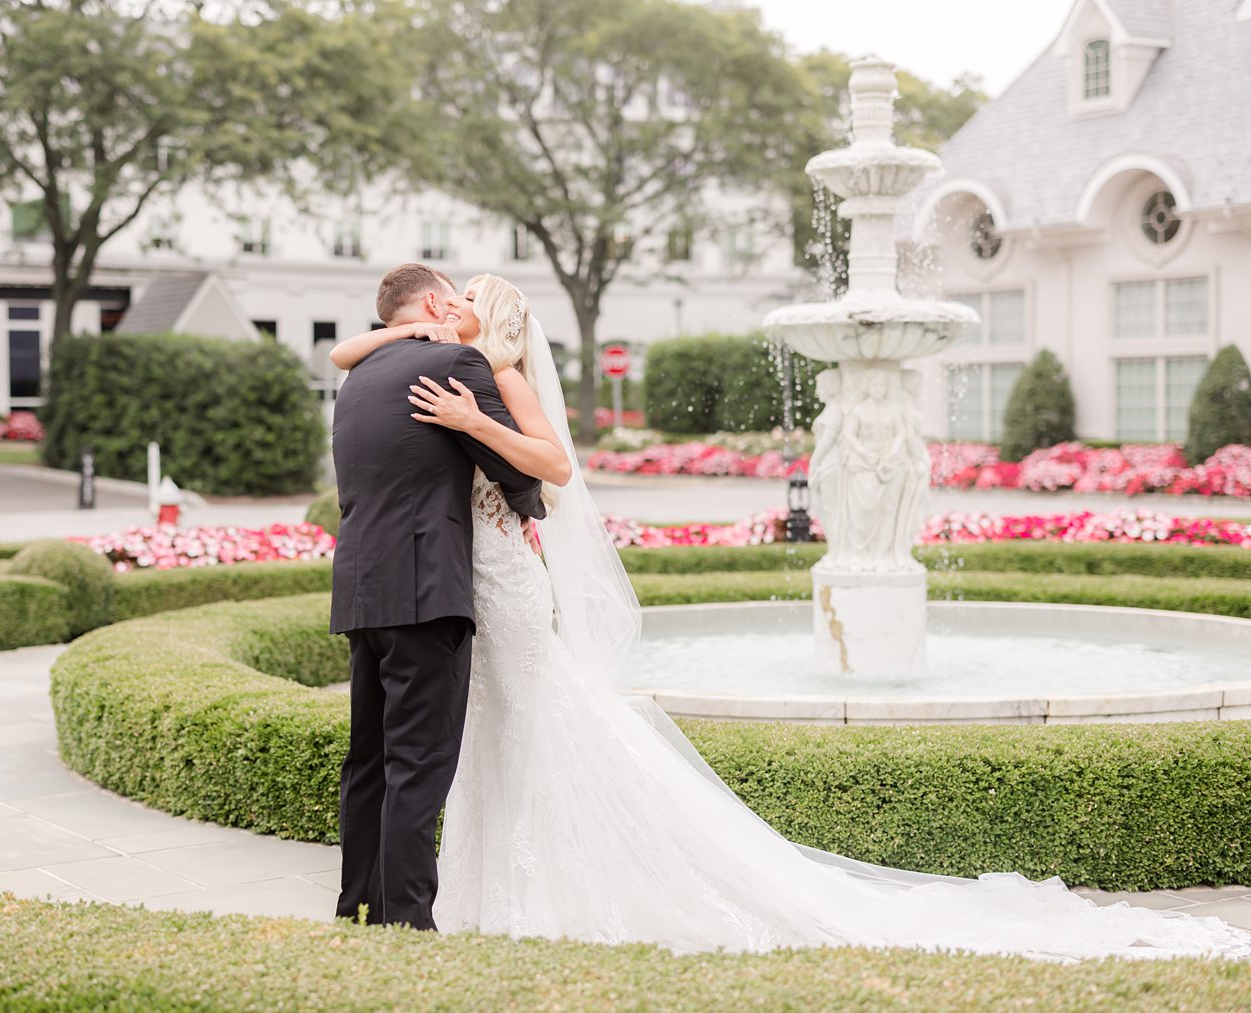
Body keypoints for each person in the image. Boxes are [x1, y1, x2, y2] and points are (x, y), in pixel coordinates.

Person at [329, 273, 1251, 961]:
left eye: (466, 304)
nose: (453, 313)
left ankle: (438, 905)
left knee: (509, 725)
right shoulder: (436, 371)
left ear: (487, 325)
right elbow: (391, 391)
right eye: (443, 303)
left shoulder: (483, 380)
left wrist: (482, 431)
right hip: (456, 578)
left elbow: (545, 475)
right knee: (463, 743)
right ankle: (457, 898)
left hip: (488, 586)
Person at [328, 263, 545, 931]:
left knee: (368, 761)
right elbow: (524, 480)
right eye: (453, 296)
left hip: (362, 584)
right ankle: (410, 925)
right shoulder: (455, 362)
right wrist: (523, 505)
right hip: (426, 590)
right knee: (418, 765)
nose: (458, 307)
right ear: (432, 303)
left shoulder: (357, 378)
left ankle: (359, 909)